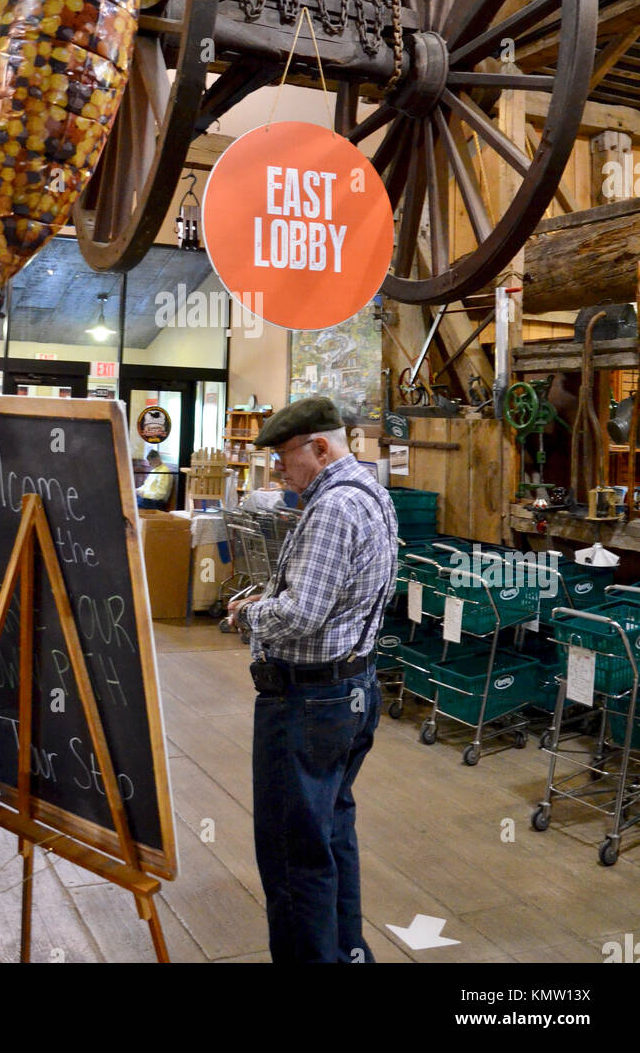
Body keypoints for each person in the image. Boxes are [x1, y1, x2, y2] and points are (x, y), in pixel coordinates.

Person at [229, 395, 397, 964]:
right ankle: (347, 953)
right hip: (352, 691)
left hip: (309, 702)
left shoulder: (331, 509)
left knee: (291, 852)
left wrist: (248, 613)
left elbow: (302, 614)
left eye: (284, 457)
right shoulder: (372, 493)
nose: (279, 469)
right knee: (329, 836)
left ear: (320, 447)